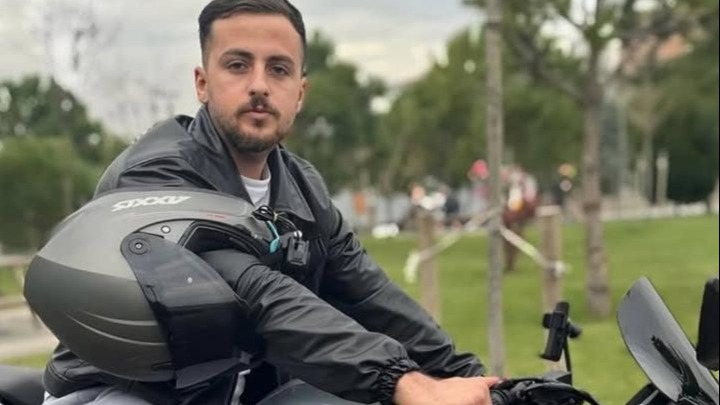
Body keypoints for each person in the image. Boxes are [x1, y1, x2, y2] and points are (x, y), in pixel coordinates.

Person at [41, 1, 499, 404]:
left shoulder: (304, 188)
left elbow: (372, 297)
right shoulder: (156, 174)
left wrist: (477, 382)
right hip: (122, 391)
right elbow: (255, 295)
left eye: (278, 69)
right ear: (202, 83)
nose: (259, 84)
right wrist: (402, 381)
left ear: (300, 93)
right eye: (238, 65)